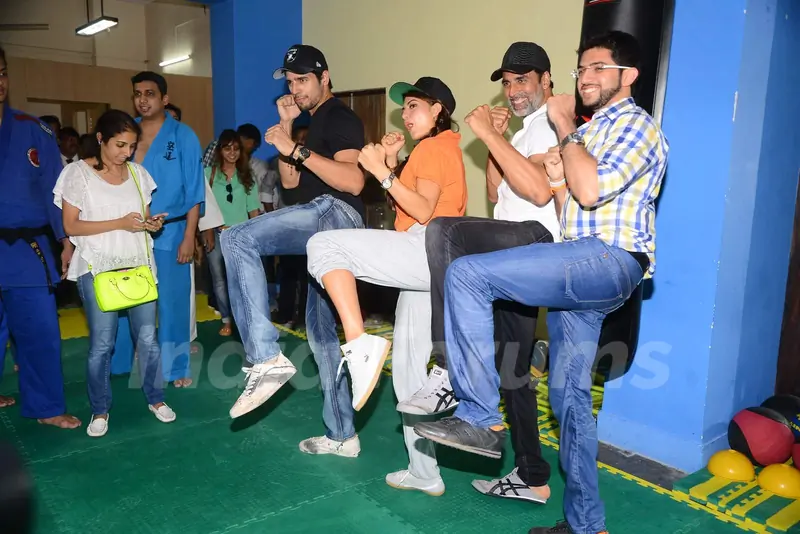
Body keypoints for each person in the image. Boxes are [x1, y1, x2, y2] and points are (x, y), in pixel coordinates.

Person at [413, 31, 669, 534]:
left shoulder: (636, 126)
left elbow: (592, 193)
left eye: (599, 68)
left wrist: (564, 127)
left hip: (608, 259)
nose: (588, 77)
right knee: (568, 398)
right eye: (584, 69)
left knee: (466, 274)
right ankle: (585, 525)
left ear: (628, 76)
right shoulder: (590, 134)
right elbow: (567, 210)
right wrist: (556, 172)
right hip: (578, 261)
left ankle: (481, 415)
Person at [399, 42, 559, 504]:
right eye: (507, 82)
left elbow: (540, 189)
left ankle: (448, 368)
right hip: (510, 255)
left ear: (546, 80)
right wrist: (499, 143)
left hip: (533, 240)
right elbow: (497, 190)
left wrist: (491, 137)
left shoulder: (554, 123)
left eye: (522, 80)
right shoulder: (526, 129)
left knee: (444, 231)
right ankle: (533, 478)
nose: (513, 90)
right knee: (513, 372)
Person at [306, 76, 465, 494]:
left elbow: (423, 212)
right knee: (410, 377)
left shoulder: (433, 147)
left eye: (414, 105)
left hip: (426, 249)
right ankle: (424, 473)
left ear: (438, 111)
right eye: (405, 106)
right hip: (436, 260)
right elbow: (414, 205)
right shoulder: (438, 149)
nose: (405, 113)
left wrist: (379, 170)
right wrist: (392, 165)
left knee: (323, 245)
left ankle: (359, 342)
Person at [222, 45, 366, 458]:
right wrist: (287, 128)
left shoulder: (339, 116)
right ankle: (342, 435)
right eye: (290, 82)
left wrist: (298, 148)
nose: (295, 89)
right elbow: (289, 185)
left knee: (236, 238)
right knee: (322, 339)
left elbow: (353, 182)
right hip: (319, 233)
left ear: (325, 77)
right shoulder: (309, 125)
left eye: (302, 80)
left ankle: (265, 357)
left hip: (333, 216)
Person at [53, 109, 177, 437]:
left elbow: (142, 218)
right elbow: (71, 225)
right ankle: (100, 408)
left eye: (132, 146)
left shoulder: (138, 174)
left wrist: (151, 224)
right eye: (120, 145)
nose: (126, 152)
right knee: (102, 344)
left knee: (148, 339)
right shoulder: (77, 174)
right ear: (100, 140)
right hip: (97, 267)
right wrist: (120, 222)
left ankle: (156, 398)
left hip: (137, 264)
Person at [0, 46, 80, 428]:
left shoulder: (33, 129)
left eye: (1, 73)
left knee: (41, 331)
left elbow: (56, 190)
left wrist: (65, 241)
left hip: (26, 248)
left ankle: (47, 407)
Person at [110, 71, 205, 388]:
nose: (143, 99)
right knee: (126, 297)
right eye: (138, 93)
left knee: (173, 301)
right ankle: (121, 361)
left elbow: (194, 190)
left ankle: (176, 368)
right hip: (130, 231)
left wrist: (190, 236)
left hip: (174, 229)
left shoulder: (183, 135)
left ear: (164, 99)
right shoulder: (126, 135)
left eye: (150, 93)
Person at [205, 129, 260, 336]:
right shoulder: (208, 174)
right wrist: (207, 232)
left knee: (242, 278)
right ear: (220, 150)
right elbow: (204, 207)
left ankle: (245, 318)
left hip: (241, 235)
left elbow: (253, 208)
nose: (232, 153)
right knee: (219, 279)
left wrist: (256, 236)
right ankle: (227, 319)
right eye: (227, 148)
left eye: (236, 148)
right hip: (217, 234)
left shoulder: (247, 175)